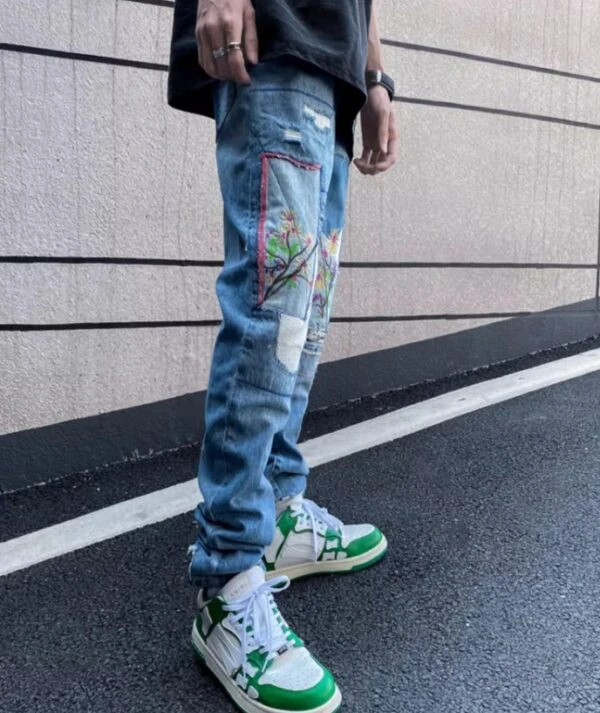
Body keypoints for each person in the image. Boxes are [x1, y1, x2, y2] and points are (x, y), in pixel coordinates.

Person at [168, 1, 397, 710]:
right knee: (274, 313)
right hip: (274, 41)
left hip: (335, 70)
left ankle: (280, 510)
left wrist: (377, 78)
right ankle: (227, 577)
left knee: (306, 315)